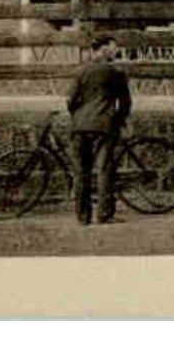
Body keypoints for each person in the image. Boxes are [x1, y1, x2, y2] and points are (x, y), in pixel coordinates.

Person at [66, 33, 132, 225]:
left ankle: (83, 216)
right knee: (104, 170)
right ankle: (104, 214)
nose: (115, 52)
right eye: (113, 48)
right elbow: (126, 104)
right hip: (104, 125)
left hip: (79, 126)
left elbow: (70, 100)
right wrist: (117, 119)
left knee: (81, 172)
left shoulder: (81, 71)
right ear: (103, 50)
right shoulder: (116, 73)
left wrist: (78, 116)